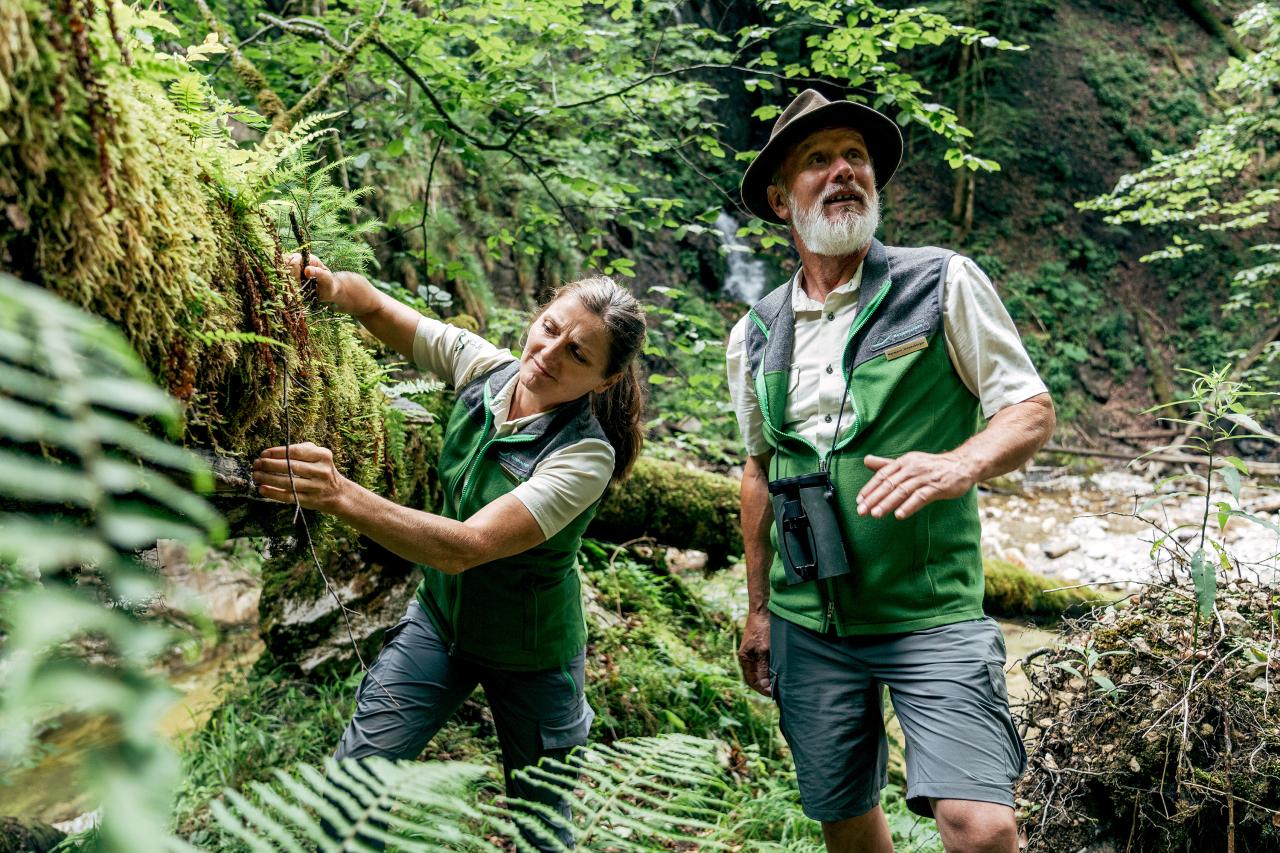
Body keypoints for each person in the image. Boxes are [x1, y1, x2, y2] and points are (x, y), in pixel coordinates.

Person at [726, 89, 1056, 853]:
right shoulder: (754, 331)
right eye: (818, 160)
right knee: (843, 812)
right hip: (809, 619)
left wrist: (958, 462)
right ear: (781, 199)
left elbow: (1029, 408)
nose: (844, 171)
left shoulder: (942, 282)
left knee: (982, 827)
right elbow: (757, 469)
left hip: (929, 612)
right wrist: (757, 607)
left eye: (856, 157)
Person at [251, 256, 647, 848]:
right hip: (440, 627)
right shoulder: (484, 369)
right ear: (538, 315)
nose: (547, 353)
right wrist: (331, 285)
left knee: (542, 829)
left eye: (578, 354)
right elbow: (377, 307)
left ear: (605, 381)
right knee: (351, 791)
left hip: (533, 658)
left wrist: (337, 494)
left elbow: (468, 547)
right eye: (549, 328)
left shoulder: (585, 458)